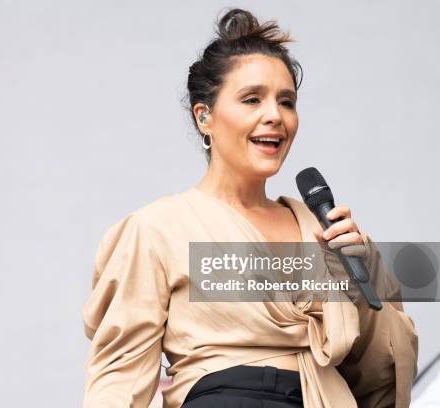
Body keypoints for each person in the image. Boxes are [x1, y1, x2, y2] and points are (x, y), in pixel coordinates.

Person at [82, 8, 418, 408]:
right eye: (252, 99)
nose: (274, 116)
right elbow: (119, 376)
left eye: (287, 102)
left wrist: (361, 282)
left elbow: (382, 374)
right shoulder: (157, 229)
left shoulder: (326, 229)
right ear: (204, 116)